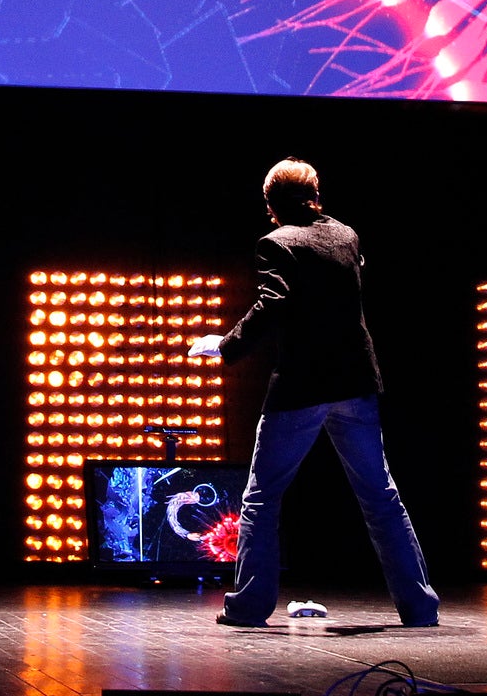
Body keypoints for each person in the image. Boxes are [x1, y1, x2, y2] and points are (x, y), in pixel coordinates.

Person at [188, 158, 439, 629]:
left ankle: (248, 607)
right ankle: (420, 606)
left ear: (270, 204)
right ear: (315, 192)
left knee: (262, 499)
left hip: (303, 386)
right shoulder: (346, 237)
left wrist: (225, 347)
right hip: (355, 384)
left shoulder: (276, 243)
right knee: (381, 497)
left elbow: (273, 304)